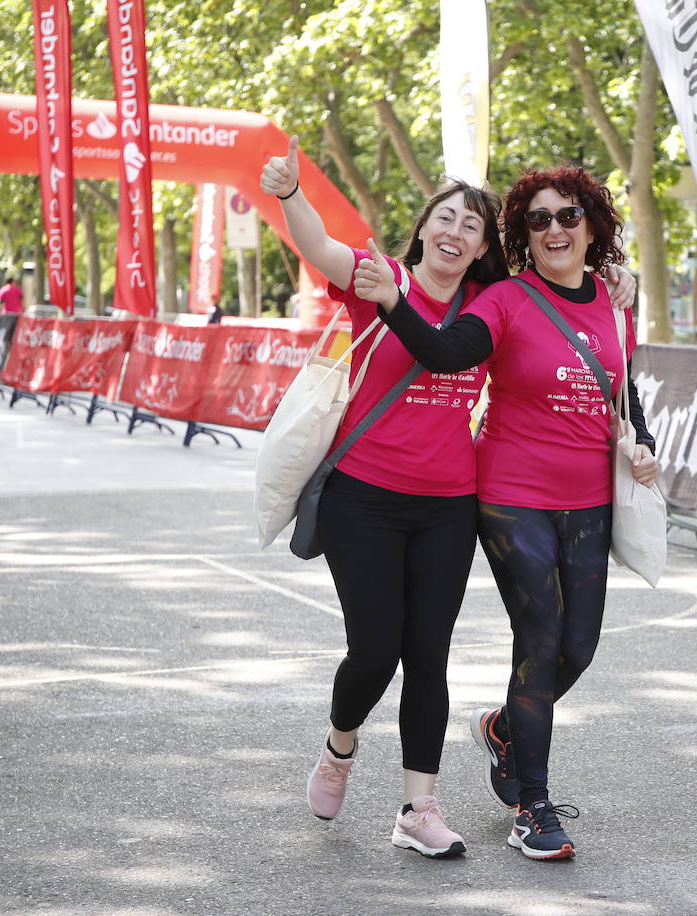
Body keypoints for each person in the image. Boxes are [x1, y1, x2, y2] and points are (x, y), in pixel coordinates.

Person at [352, 164, 659, 861]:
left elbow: (624, 394)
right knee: (542, 636)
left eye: (568, 215)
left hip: (589, 498)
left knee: (578, 648)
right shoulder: (506, 301)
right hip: (511, 492)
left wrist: (642, 444)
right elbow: (440, 352)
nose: (554, 228)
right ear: (522, 234)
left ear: (593, 228)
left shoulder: (614, 304)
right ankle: (533, 804)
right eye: (538, 219)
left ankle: (503, 729)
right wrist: (393, 301)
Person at [260, 135, 510, 859]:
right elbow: (320, 245)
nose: (456, 231)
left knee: (428, 655)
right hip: (362, 498)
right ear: (424, 226)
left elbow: (558, 280)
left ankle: (418, 808)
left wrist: (614, 281)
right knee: (374, 652)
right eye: (446, 217)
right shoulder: (378, 278)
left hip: (448, 506)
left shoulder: (488, 306)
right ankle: (340, 747)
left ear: (482, 246)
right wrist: (289, 193)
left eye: (473, 225)